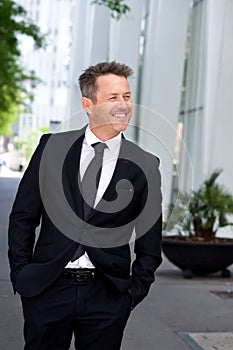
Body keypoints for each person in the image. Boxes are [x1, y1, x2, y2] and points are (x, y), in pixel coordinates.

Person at [8, 61, 162, 350]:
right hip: (48, 289)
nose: (123, 105)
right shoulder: (51, 148)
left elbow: (149, 241)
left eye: (127, 97)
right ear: (88, 104)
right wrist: (22, 274)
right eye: (113, 97)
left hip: (108, 295)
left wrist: (132, 293)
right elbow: (23, 217)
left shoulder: (146, 165)